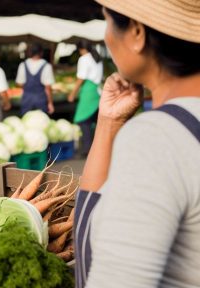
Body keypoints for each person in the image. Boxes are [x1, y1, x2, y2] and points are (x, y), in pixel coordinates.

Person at [73, 1, 200, 288]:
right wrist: (109, 123)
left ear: (137, 33)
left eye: (107, 21)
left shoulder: (157, 137)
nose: (106, 37)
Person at [67, 40, 104, 156]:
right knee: (94, 119)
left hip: (88, 90)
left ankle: (87, 148)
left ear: (81, 49)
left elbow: (80, 78)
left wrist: (72, 93)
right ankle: (97, 147)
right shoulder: (97, 58)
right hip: (97, 90)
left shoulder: (84, 59)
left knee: (83, 120)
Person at [15, 43, 55, 115]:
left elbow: (19, 83)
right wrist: (50, 103)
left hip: (27, 98)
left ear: (30, 52)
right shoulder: (46, 66)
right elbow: (48, 87)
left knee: (26, 120)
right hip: (41, 98)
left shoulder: (23, 65)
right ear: (41, 52)